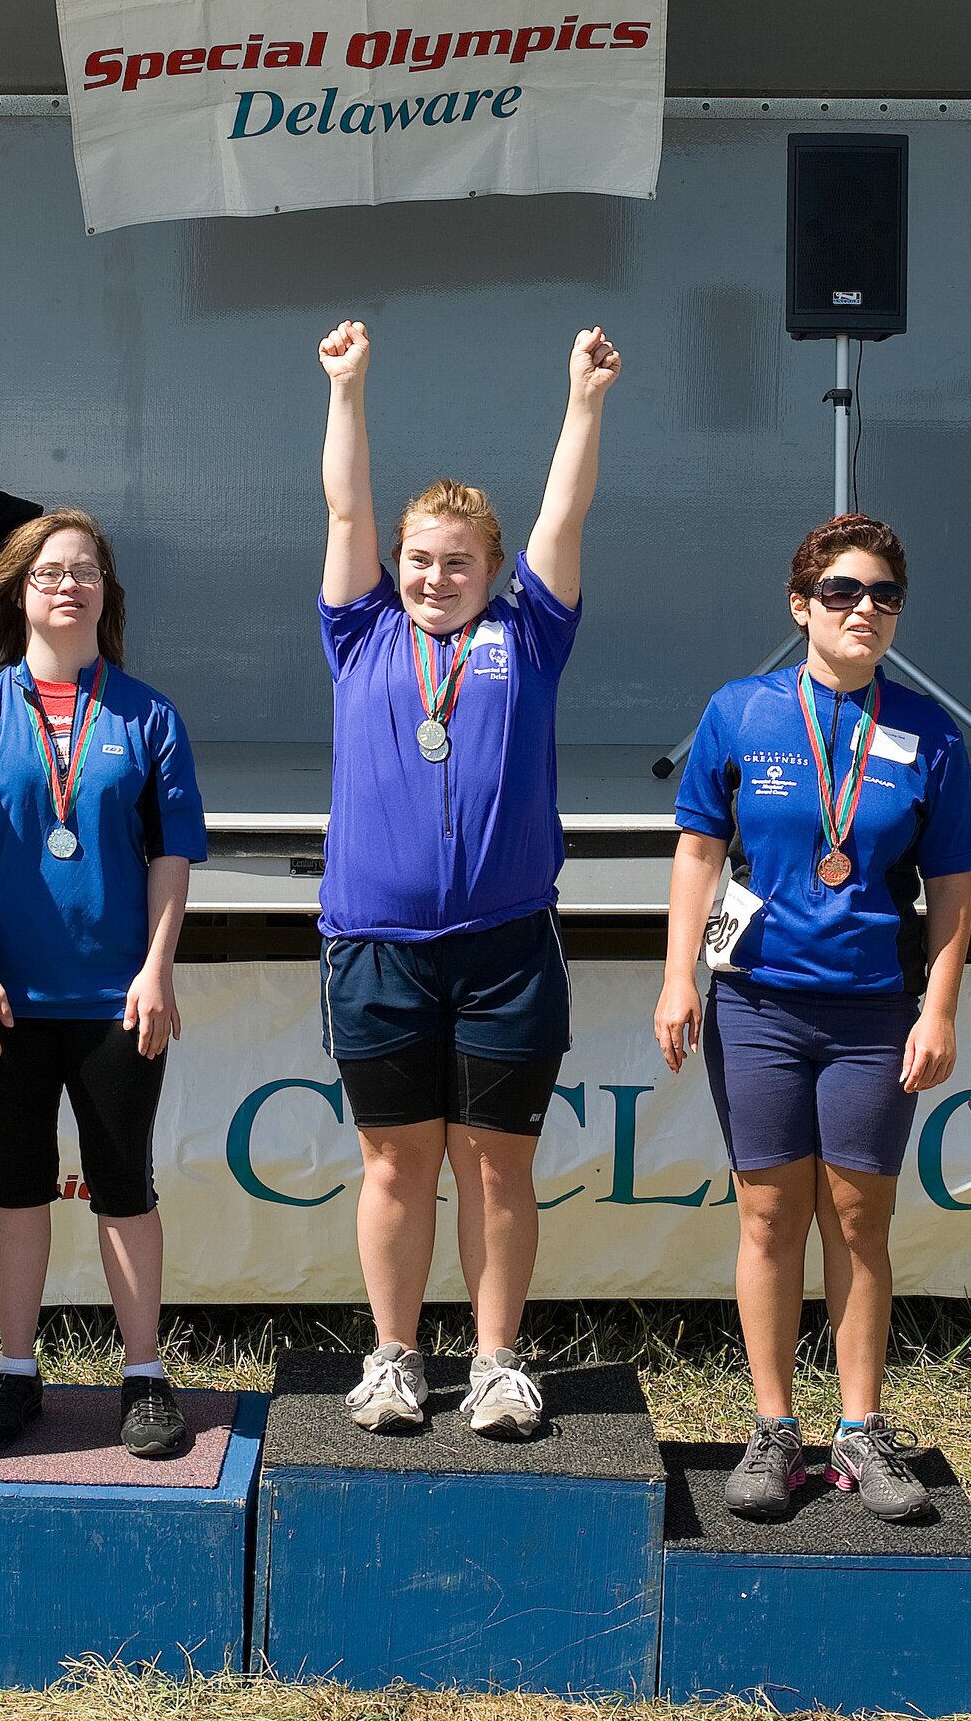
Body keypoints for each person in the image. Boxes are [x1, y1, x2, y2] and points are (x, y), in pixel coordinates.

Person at [315, 317, 620, 1436]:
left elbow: (563, 512)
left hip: (503, 946)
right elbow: (347, 507)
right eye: (420, 561)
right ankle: (393, 1356)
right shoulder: (357, 635)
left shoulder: (529, 634)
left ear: (493, 572)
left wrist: (581, 400)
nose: (435, 576)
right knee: (394, 1165)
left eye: (457, 561)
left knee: (498, 1169)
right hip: (376, 945)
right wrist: (347, 389)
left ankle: (494, 1361)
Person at [654, 513, 971, 1523]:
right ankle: (769, 1427)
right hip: (754, 1001)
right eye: (840, 590)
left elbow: (951, 887)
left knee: (855, 1218)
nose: (863, 610)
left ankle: (859, 1429)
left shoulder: (927, 732)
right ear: (799, 605)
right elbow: (699, 853)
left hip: (872, 1013)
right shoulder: (741, 711)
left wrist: (936, 1008)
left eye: (882, 594)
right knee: (765, 1213)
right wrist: (676, 979)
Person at [0, 509, 207, 1459]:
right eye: (48, 574)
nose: (67, 586)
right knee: (17, 1187)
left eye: (85, 571)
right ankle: (15, 1372)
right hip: (3, 1001)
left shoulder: (149, 714)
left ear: (105, 593)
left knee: (126, 1186)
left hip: (118, 1002)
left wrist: (157, 972)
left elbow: (171, 860)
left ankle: (146, 1376)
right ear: (19, 593)